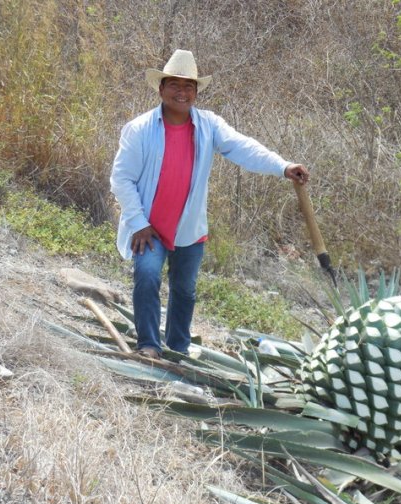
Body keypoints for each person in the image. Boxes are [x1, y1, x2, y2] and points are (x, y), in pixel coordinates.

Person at [110, 49, 309, 360]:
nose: (182, 92)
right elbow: (121, 178)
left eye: (189, 86)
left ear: (196, 93)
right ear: (161, 89)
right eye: (174, 85)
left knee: (184, 291)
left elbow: (244, 147)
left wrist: (282, 166)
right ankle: (149, 345)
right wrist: (137, 221)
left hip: (189, 228)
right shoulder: (140, 129)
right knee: (147, 277)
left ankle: (177, 349)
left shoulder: (208, 126)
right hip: (149, 227)